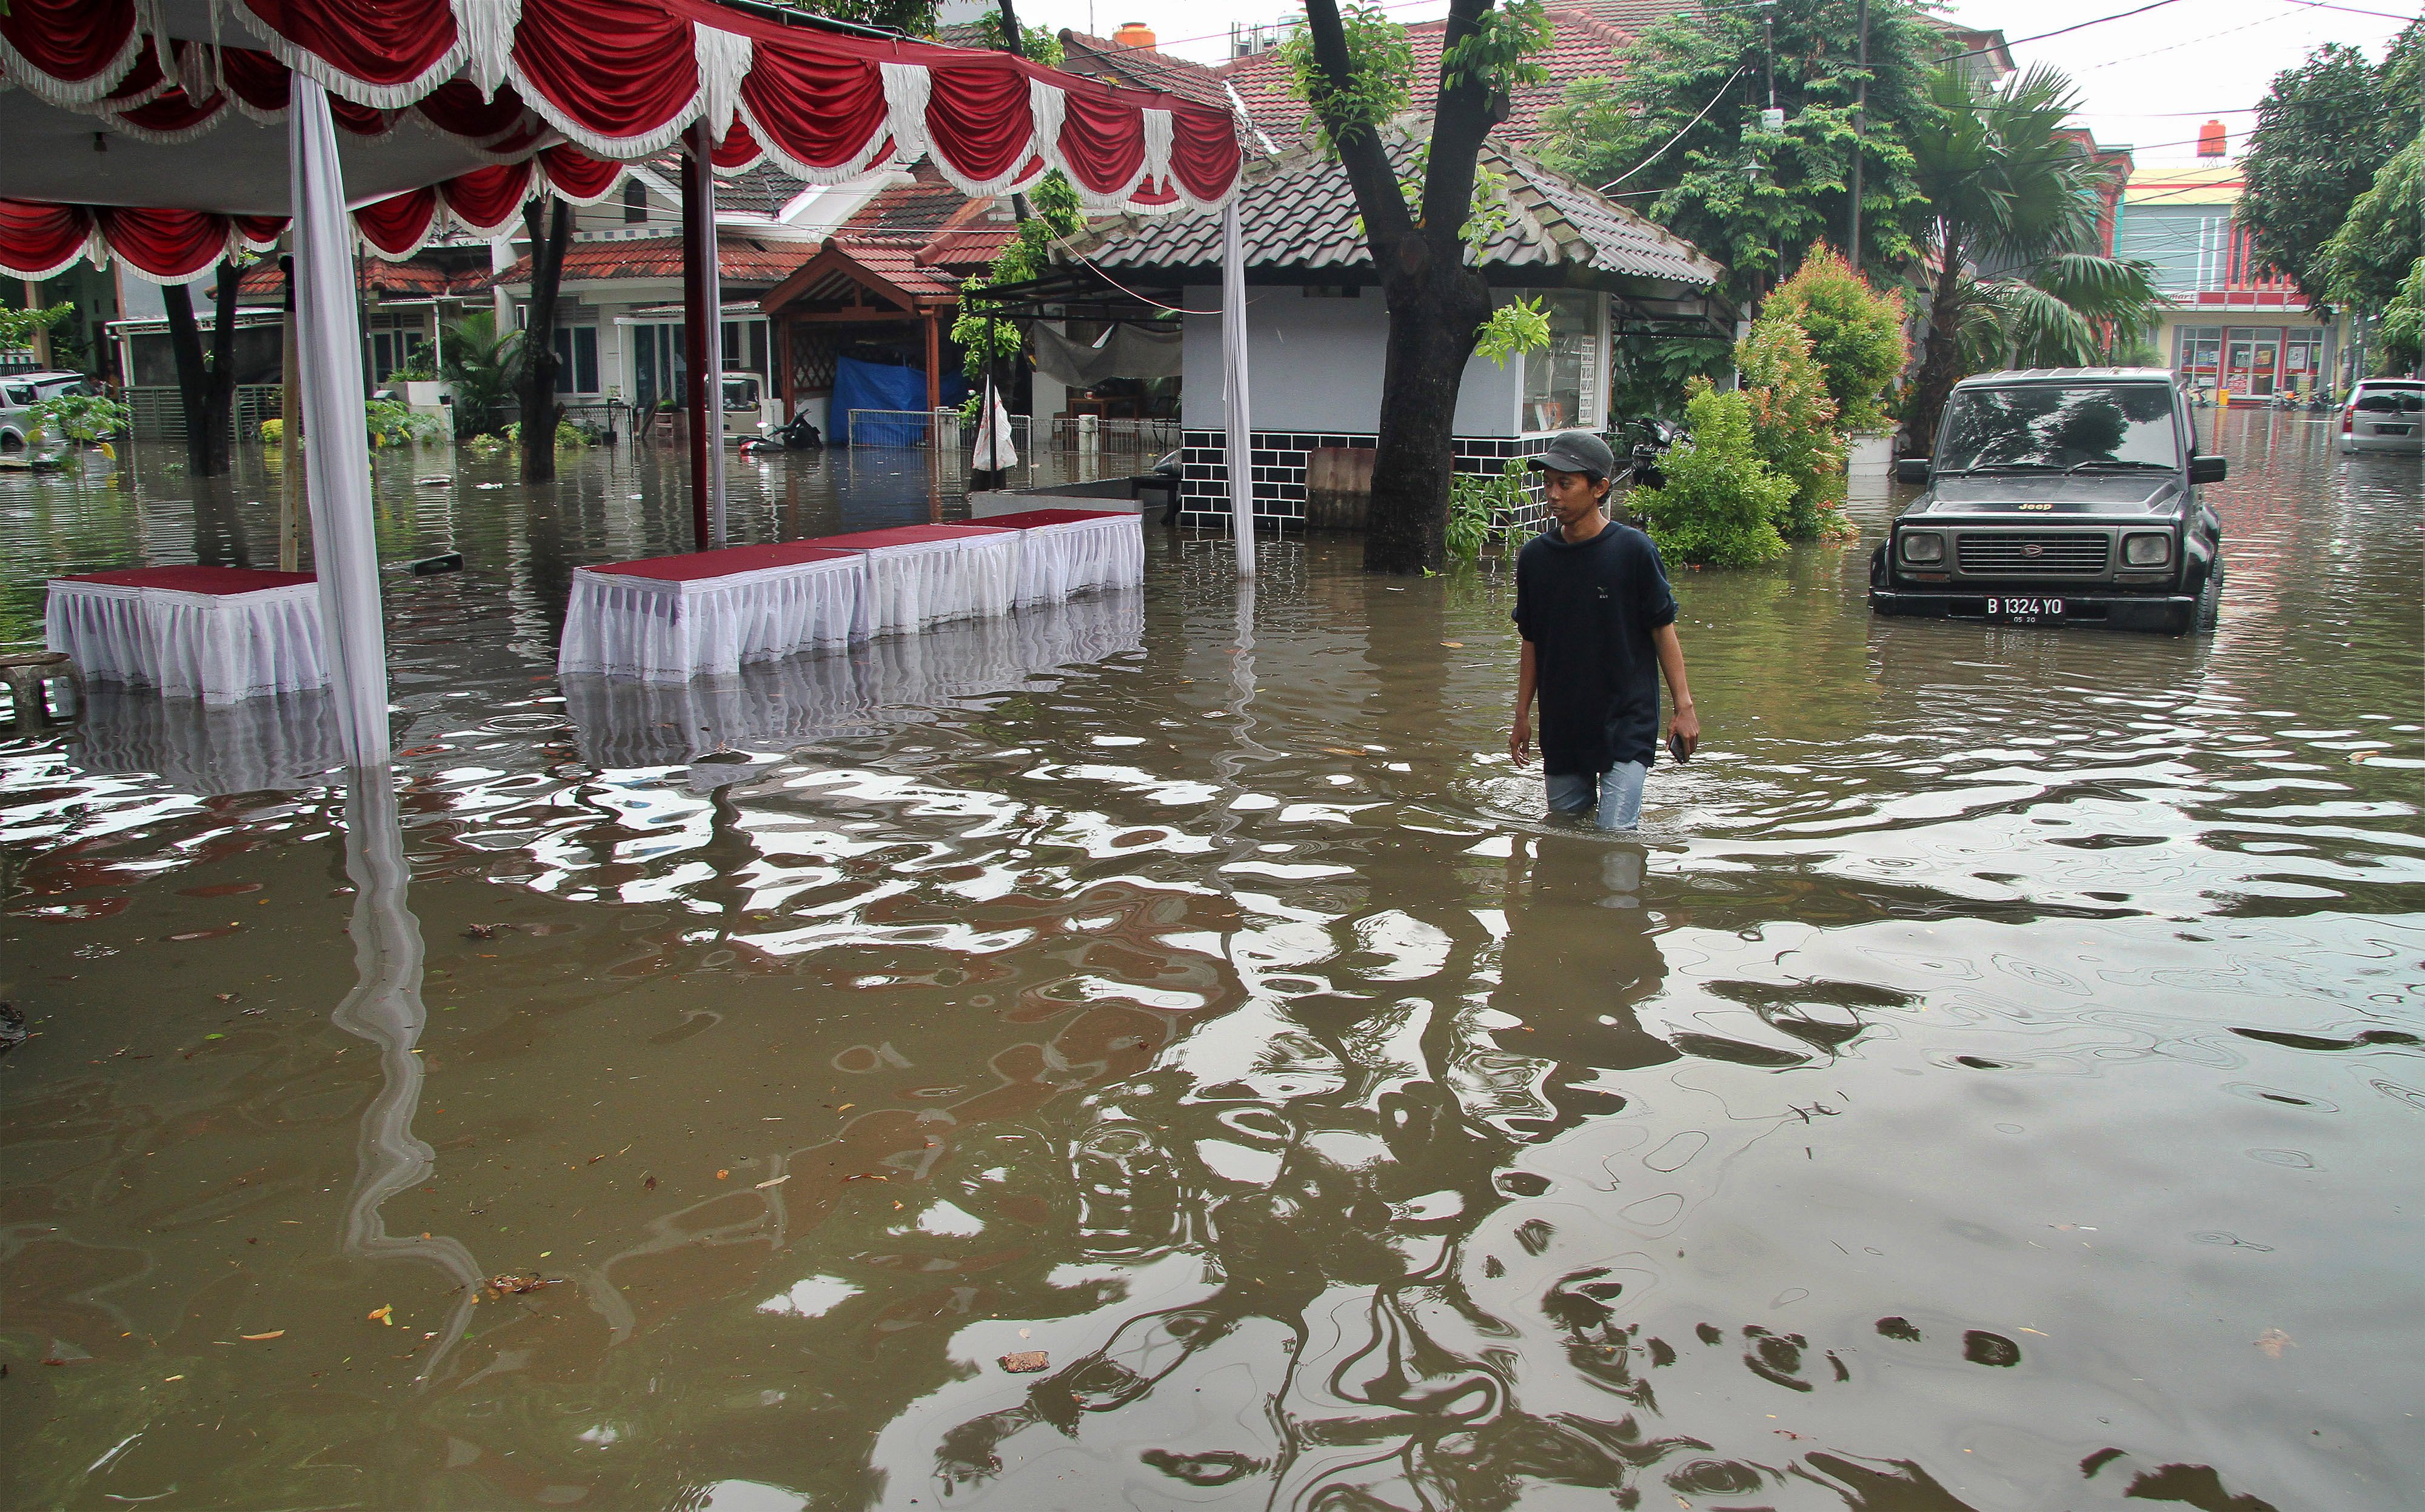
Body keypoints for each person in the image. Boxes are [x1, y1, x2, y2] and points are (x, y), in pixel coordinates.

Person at [1508, 432, 1699, 831]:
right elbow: (1532, 641)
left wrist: (1684, 709)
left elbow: (1664, 631)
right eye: (1548, 484)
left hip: (1626, 718)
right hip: (1563, 721)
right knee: (1563, 828)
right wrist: (1522, 714)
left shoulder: (1633, 551)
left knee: (1614, 835)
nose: (1553, 495)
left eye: (1565, 483)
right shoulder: (1536, 559)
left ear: (1599, 489)